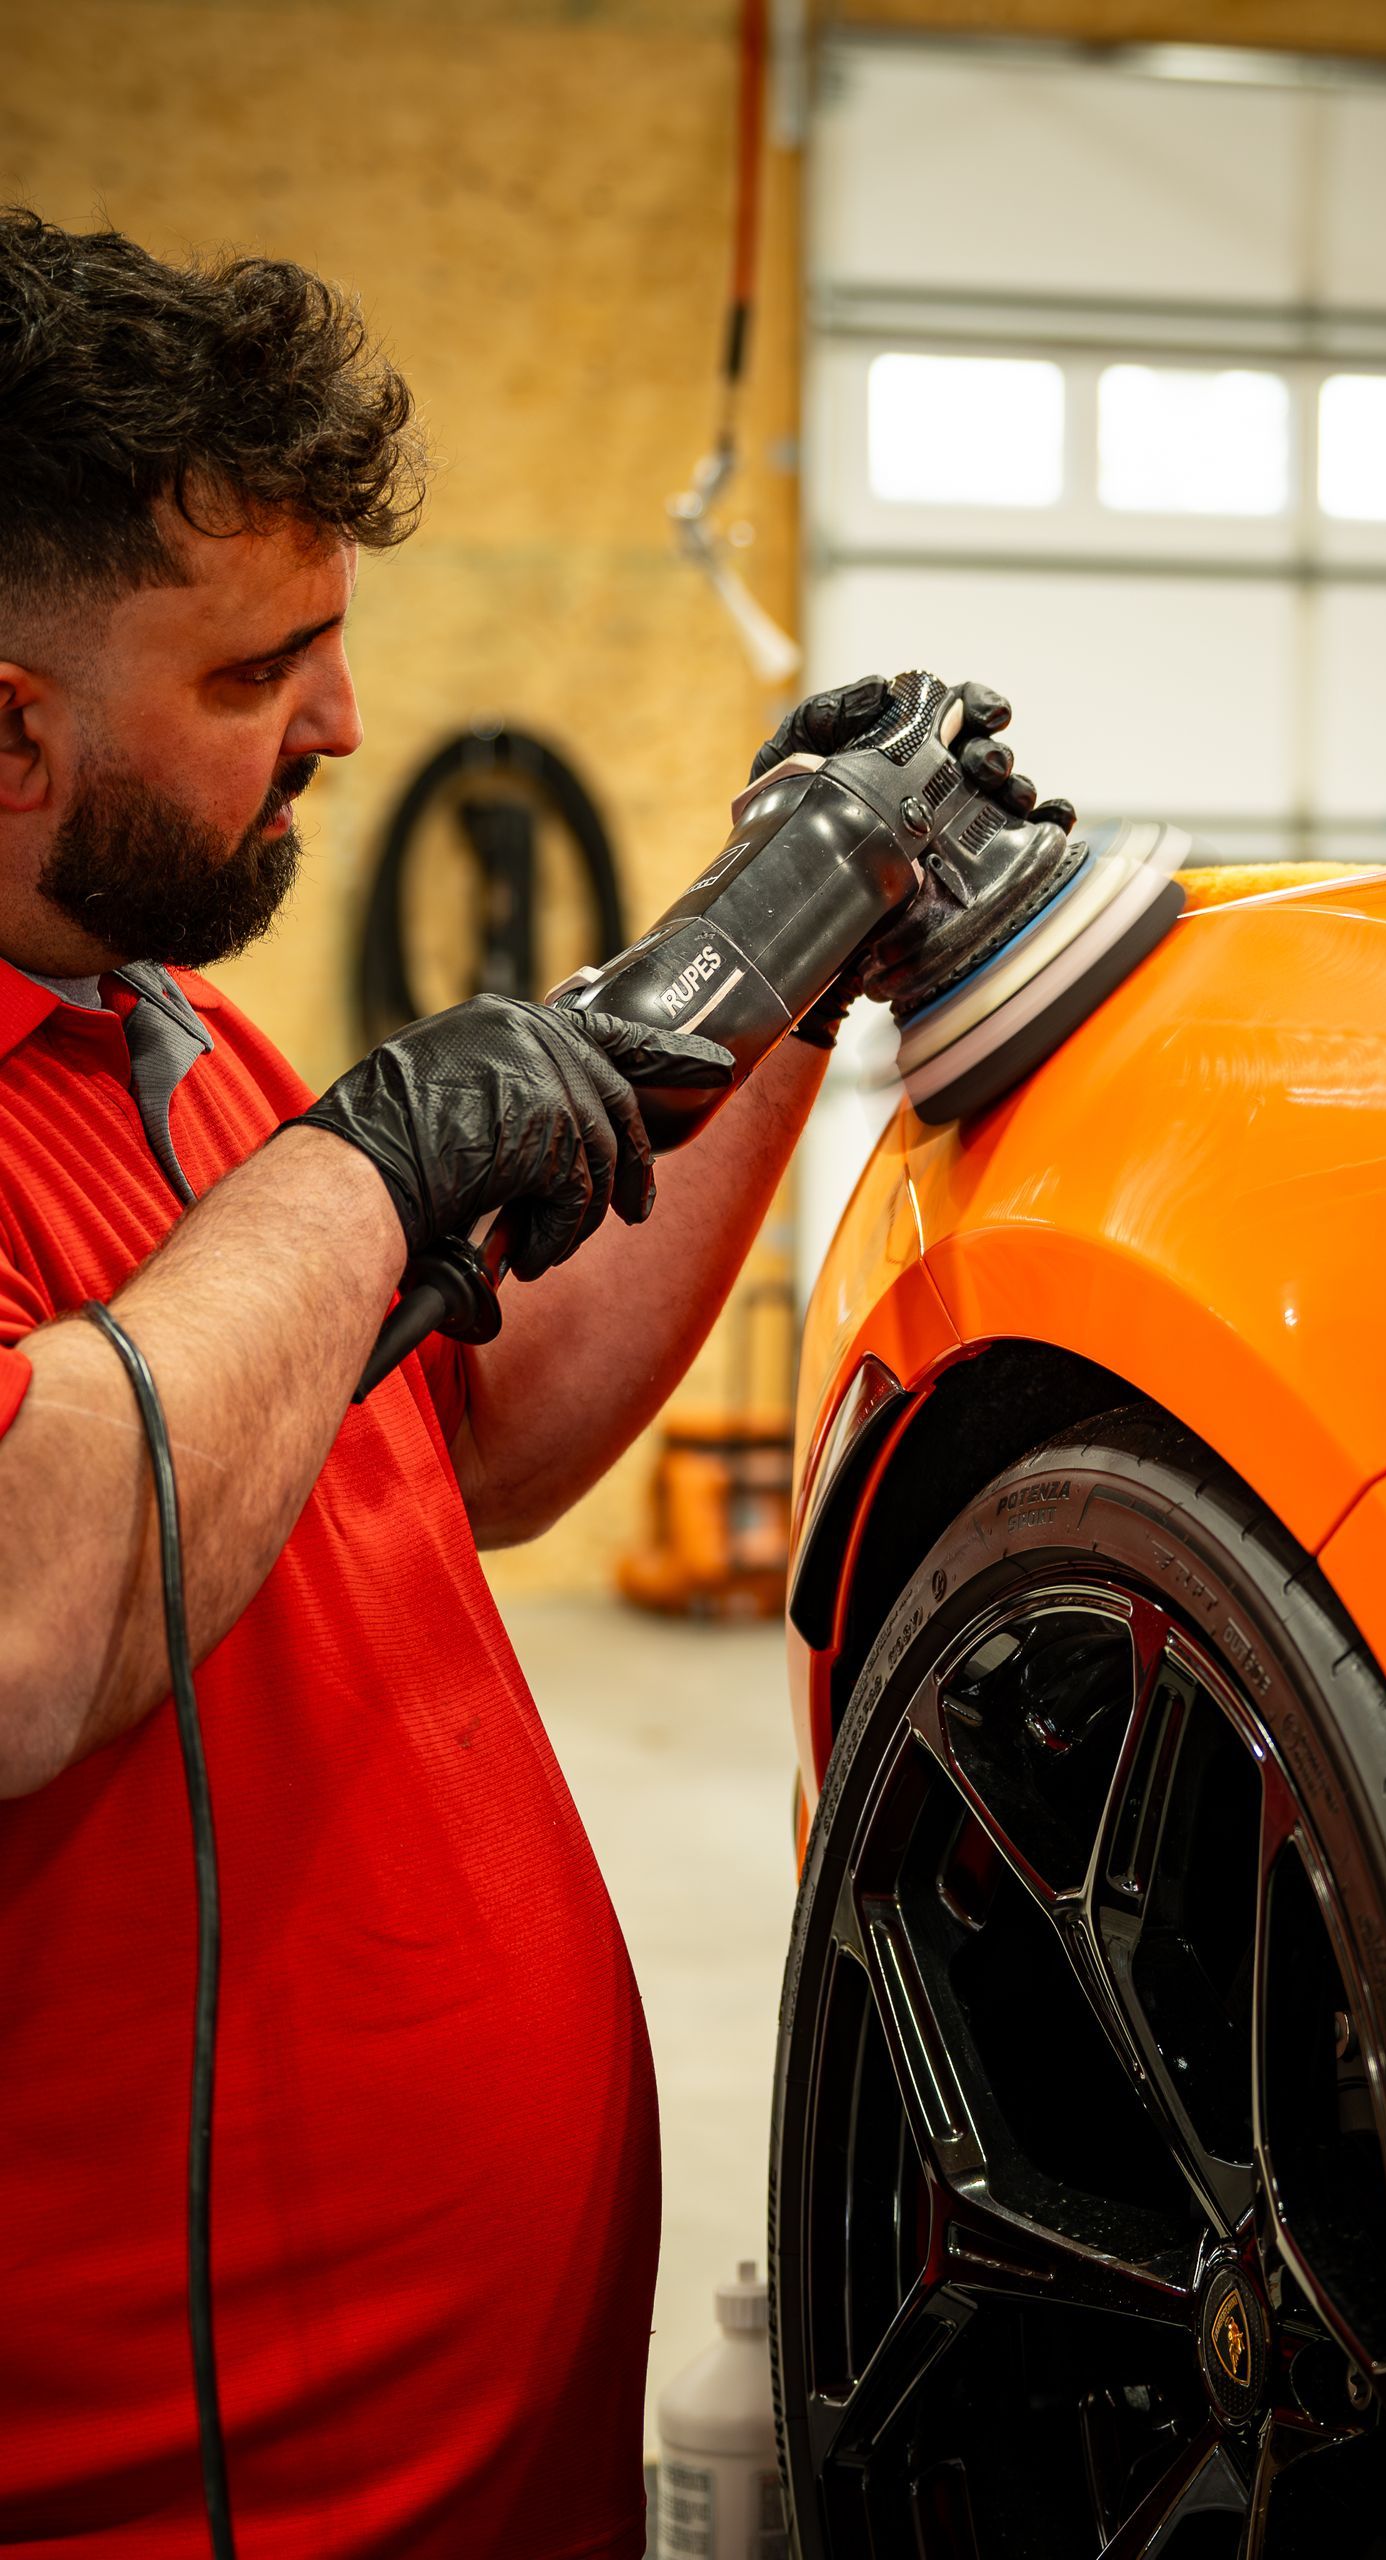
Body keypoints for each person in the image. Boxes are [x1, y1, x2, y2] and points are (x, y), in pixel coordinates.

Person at [0, 210, 1055, 2557]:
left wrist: (786, 942)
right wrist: (371, 1163)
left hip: (493, 2461)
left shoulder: (163, 1029)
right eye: (265, 666)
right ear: (8, 726)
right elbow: (30, 1596)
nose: (347, 725)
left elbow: (471, 1447)